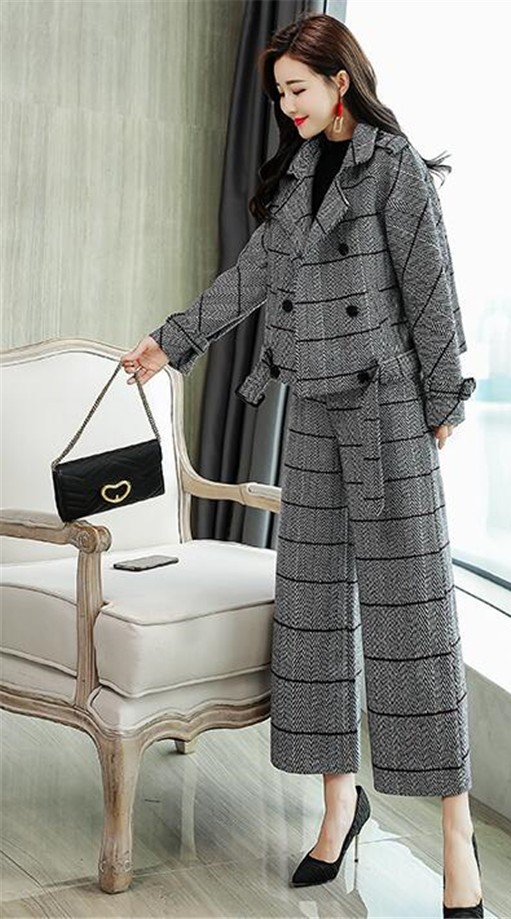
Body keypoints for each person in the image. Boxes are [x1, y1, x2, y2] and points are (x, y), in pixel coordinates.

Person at [120, 12, 482, 917]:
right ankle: (337, 806)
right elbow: (249, 277)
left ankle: (456, 835)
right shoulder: (298, 175)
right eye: (279, 94)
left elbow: (432, 289)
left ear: (339, 81)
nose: (286, 108)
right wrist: (171, 341)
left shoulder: (394, 170)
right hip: (312, 411)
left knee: (414, 621)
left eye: (297, 90)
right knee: (314, 617)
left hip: (390, 412)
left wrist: (443, 401)